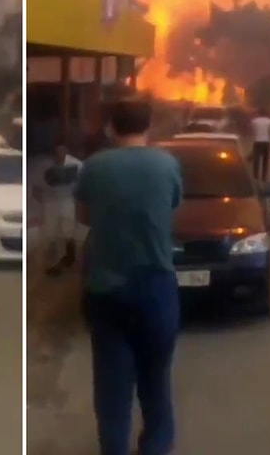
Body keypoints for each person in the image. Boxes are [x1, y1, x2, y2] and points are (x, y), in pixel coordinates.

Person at [73, 98, 182, 455]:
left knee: (112, 388)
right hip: (157, 287)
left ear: (110, 128)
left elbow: (83, 216)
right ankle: (155, 447)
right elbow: (171, 207)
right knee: (156, 380)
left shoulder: (94, 167)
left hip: (107, 289)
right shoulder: (166, 164)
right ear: (148, 126)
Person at [30, 141, 81, 276]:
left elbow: (83, 184)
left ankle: (69, 255)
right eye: (57, 154)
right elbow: (36, 188)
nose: (60, 156)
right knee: (50, 234)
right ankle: (53, 264)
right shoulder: (43, 166)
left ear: (67, 152)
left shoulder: (76, 165)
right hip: (50, 203)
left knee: (68, 231)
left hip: (68, 201)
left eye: (63, 153)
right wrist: (44, 202)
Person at [250, 109, 270, 181]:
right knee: (265, 161)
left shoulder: (254, 121)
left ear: (259, 113)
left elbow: (252, 131)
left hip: (257, 142)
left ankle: (255, 177)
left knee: (256, 160)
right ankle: (264, 177)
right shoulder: (269, 121)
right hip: (266, 142)